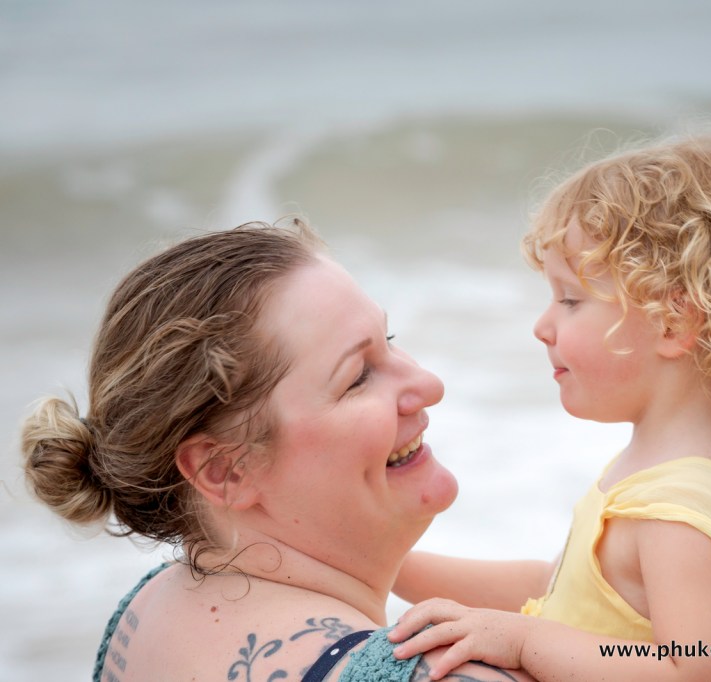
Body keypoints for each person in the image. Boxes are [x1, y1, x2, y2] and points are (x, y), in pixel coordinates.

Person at [388, 134, 711, 681]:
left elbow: (695, 676)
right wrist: (393, 568)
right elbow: (555, 591)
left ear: (674, 322)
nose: (542, 325)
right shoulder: (664, 468)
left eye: (570, 299)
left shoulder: (676, 508)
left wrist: (526, 643)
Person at [21, 220, 535, 682]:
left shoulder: (145, 618)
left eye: (390, 339)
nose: (428, 383)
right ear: (225, 469)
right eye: (357, 377)